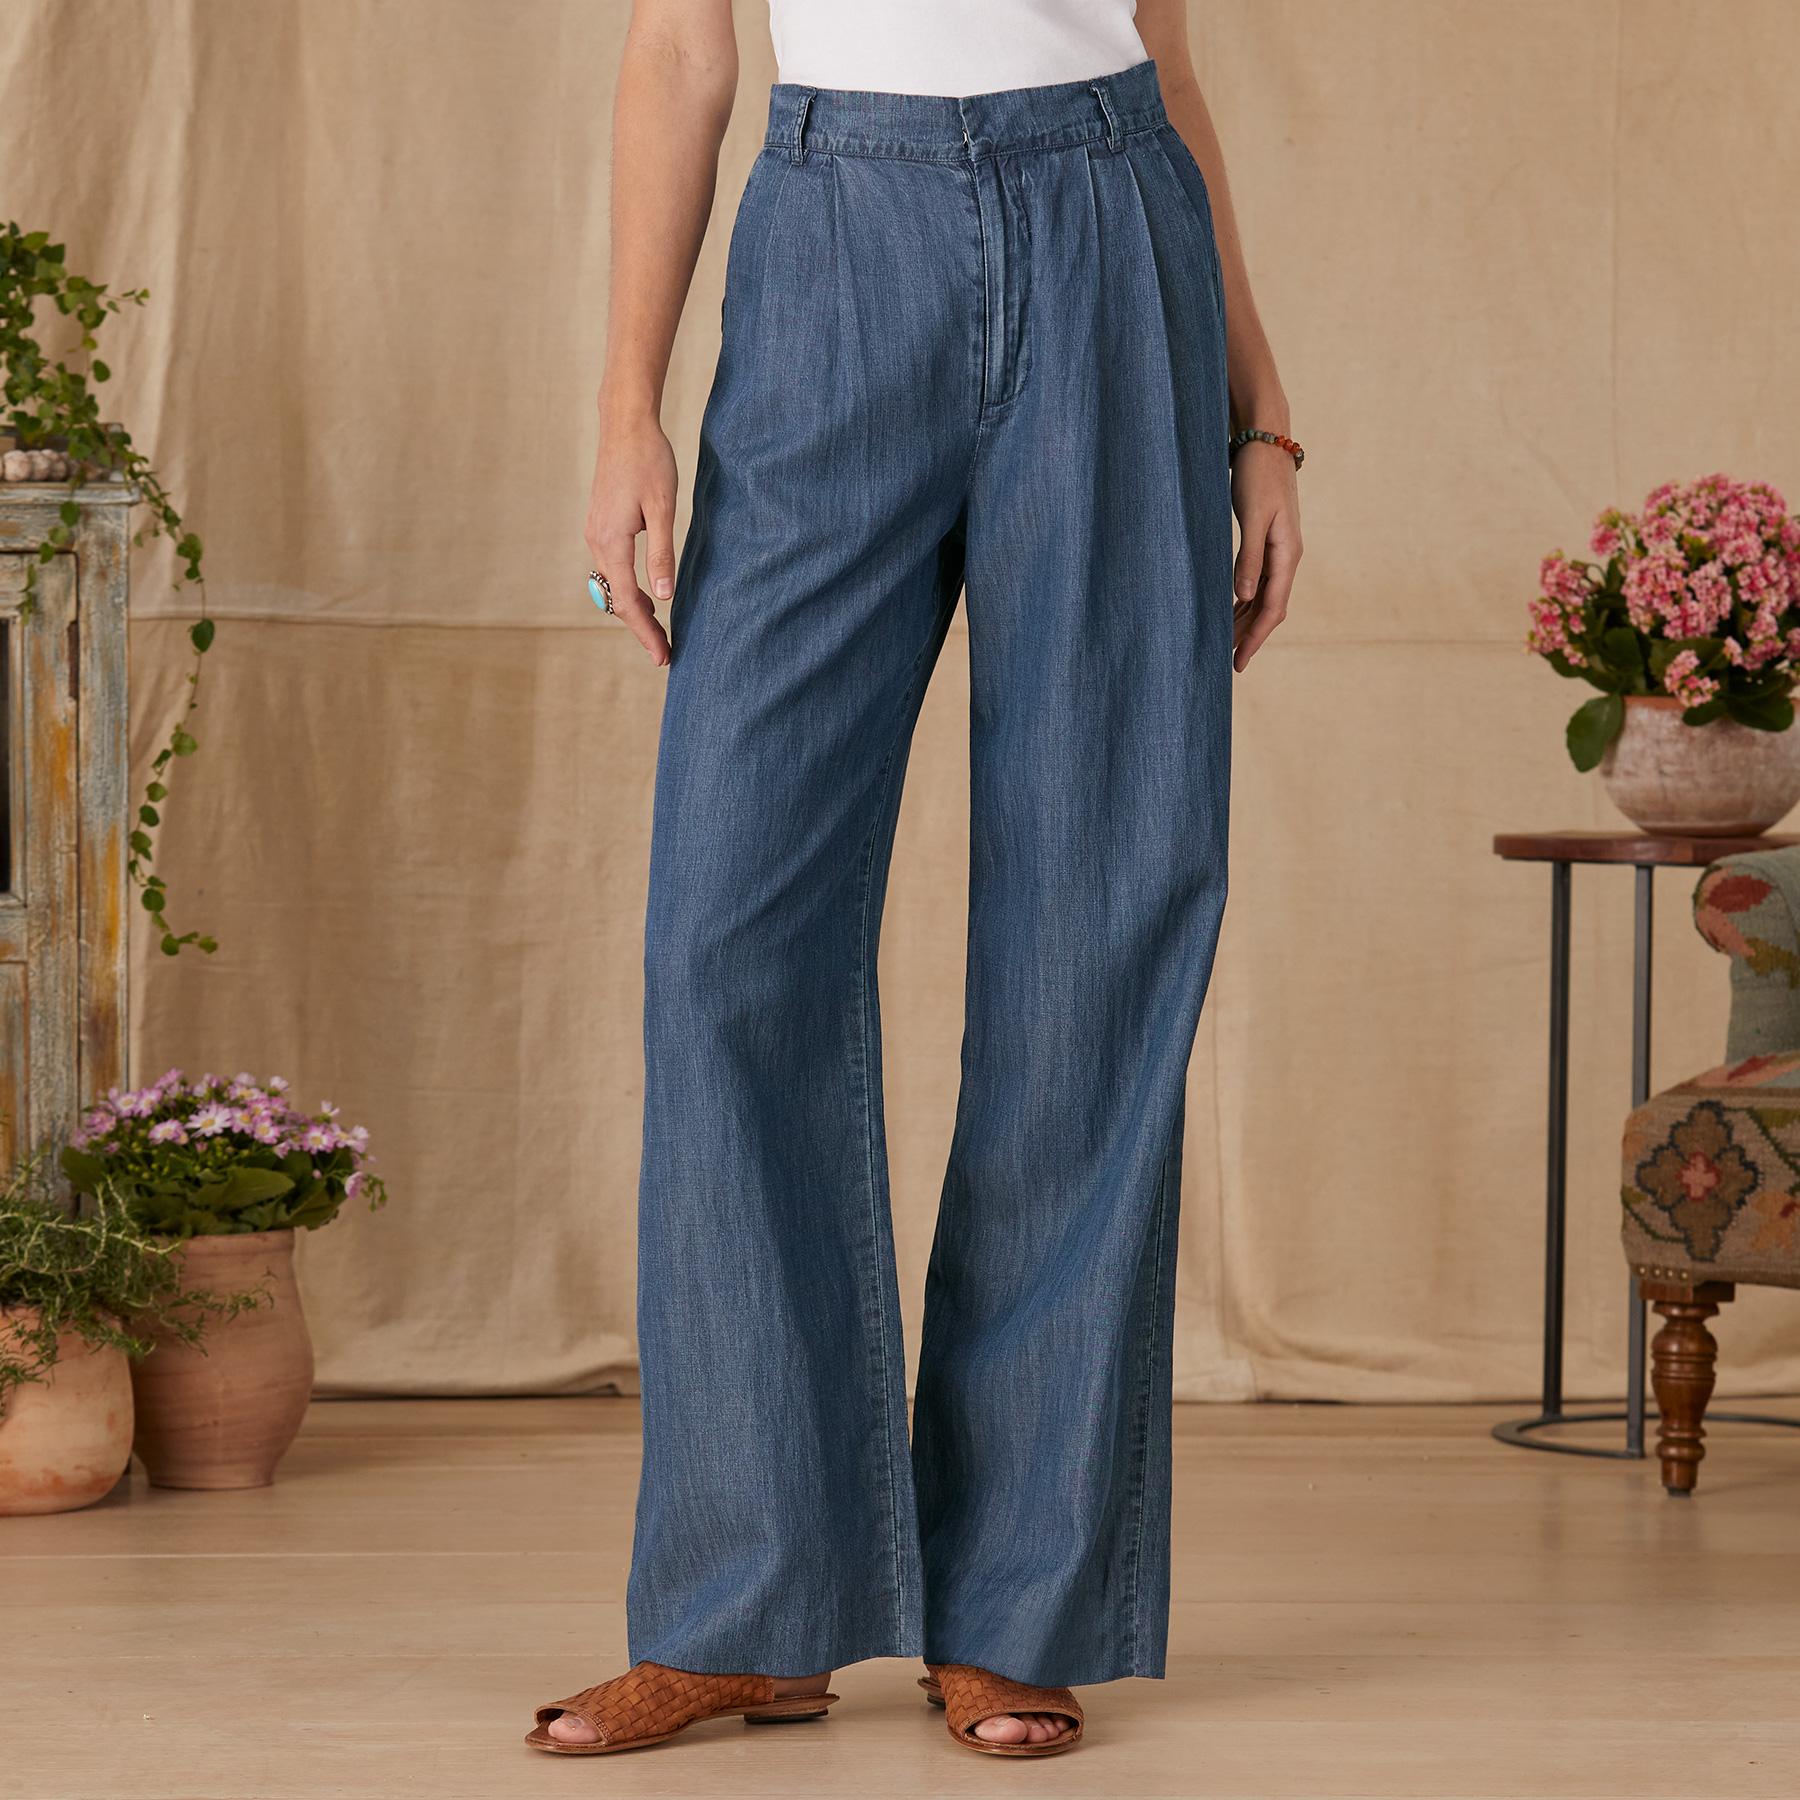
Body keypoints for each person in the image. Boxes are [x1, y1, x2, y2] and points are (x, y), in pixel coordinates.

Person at [527, 0, 1302, 1761]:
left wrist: (1263, 417)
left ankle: (1017, 1606)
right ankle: (751, 1604)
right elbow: (680, 52)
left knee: (1097, 926)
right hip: (831, 239)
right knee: (727, 937)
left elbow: (1164, 61)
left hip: (1113, 236)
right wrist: (627, 409)